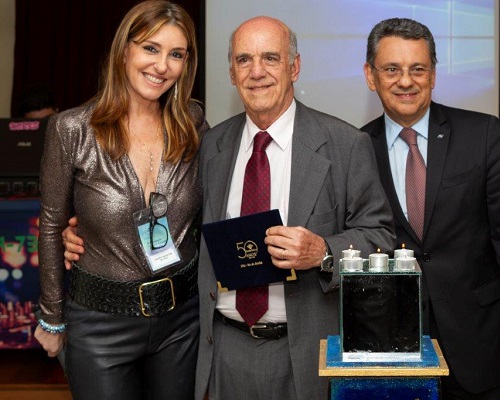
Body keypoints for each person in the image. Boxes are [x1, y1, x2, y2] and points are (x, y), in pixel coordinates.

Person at [192, 16, 395, 399]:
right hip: (225, 351)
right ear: (232, 73)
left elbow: (381, 237)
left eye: (270, 58)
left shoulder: (345, 144)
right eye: (244, 60)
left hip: (305, 354)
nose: (256, 72)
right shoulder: (212, 146)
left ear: (294, 67)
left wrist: (324, 251)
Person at [361, 17, 500, 399]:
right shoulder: (355, 148)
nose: (405, 81)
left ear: (433, 75)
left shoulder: (483, 134)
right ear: (370, 76)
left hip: (478, 343)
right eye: (391, 69)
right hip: (389, 346)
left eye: (417, 69)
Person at [34, 1, 208, 399]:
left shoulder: (194, 123)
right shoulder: (71, 129)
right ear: (124, 50)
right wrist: (51, 317)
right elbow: (52, 225)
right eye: (150, 48)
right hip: (99, 324)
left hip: (182, 322)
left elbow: (210, 210)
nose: (162, 66)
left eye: (176, 54)